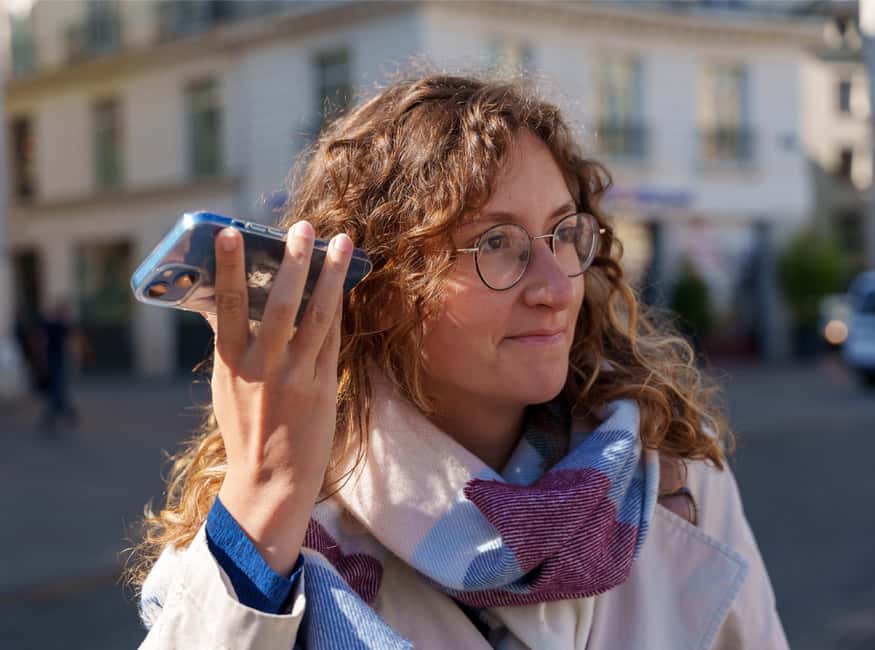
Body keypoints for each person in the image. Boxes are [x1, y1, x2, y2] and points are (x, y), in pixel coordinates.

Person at [127, 73, 788, 649]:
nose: (557, 289)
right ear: (379, 291)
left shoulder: (671, 474)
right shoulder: (275, 529)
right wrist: (264, 495)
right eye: (495, 242)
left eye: (563, 233)